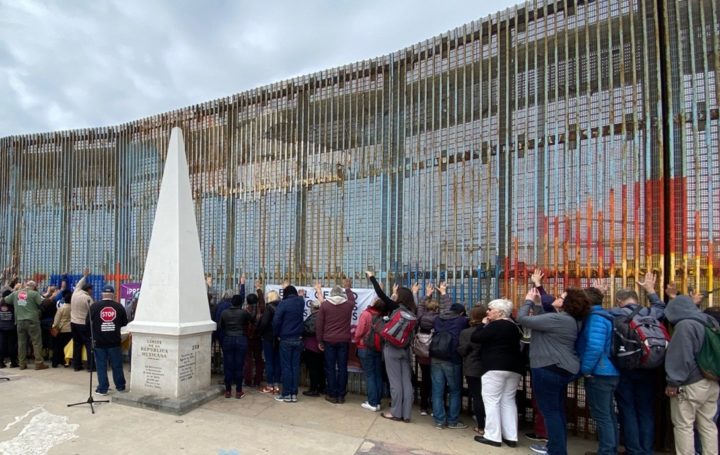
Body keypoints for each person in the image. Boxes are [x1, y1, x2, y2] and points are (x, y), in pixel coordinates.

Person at [518, 287, 591, 455]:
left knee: (550, 412)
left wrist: (528, 300)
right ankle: (556, 447)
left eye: (561, 296)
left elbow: (522, 319)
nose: (557, 297)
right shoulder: (568, 319)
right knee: (556, 410)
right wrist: (537, 305)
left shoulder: (559, 319)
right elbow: (543, 320)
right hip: (560, 367)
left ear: (567, 303)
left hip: (548, 367)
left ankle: (557, 450)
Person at [609, 271, 665, 455]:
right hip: (651, 366)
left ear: (619, 301)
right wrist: (651, 290)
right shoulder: (651, 312)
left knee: (627, 407)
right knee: (645, 409)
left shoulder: (616, 313)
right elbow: (660, 306)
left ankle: (634, 449)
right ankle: (647, 449)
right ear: (635, 299)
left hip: (626, 366)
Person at [664, 295, 719, 455]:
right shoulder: (710, 322)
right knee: (708, 424)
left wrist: (673, 381)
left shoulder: (685, 326)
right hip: (711, 381)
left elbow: (681, 357)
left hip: (690, 383)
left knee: (684, 425)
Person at [471, 298, 524, 448]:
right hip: (514, 367)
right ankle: (511, 436)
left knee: (491, 400)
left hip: (494, 366)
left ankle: (492, 435)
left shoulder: (494, 326)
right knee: (508, 400)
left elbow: (476, 338)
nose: (487, 312)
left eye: (490, 309)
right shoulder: (514, 326)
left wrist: (482, 324)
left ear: (500, 312)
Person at [366, 270, 417, 422]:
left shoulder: (395, 307)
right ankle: (406, 414)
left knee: (395, 382)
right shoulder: (413, 311)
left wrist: (372, 278)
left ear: (399, 297)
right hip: (405, 350)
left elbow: (380, 294)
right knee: (406, 382)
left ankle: (396, 412)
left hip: (392, 349)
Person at [577, 285, 620, 455]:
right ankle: (609, 448)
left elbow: (594, 347)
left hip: (600, 372)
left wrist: (586, 369)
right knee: (608, 413)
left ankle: (607, 451)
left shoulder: (595, 318)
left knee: (603, 415)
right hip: (610, 370)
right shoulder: (605, 315)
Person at [315, 280, 356, 404]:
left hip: (329, 340)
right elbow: (352, 300)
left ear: (331, 294)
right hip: (343, 340)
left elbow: (319, 325)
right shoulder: (348, 305)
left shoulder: (325, 305)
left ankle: (332, 393)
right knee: (343, 368)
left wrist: (319, 340)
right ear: (342, 294)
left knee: (330, 367)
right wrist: (347, 288)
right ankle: (341, 395)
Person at [430, 302, 469, 429]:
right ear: (462, 312)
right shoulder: (462, 321)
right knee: (455, 390)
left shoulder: (437, 319)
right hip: (452, 358)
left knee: (437, 390)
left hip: (436, 356)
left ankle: (439, 420)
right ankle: (453, 420)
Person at [415, 282, 450, 416]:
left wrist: (427, 295)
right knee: (437, 381)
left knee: (424, 379)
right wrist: (443, 293)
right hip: (435, 353)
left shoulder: (421, 317)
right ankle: (436, 407)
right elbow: (447, 309)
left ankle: (423, 407)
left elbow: (419, 306)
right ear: (437, 309)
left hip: (422, 352)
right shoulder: (439, 318)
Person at [87, 285, 128, 395]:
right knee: (117, 365)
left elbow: (88, 323)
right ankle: (120, 387)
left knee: (101, 366)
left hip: (99, 342)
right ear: (113, 295)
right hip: (114, 341)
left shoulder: (94, 307)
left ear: (102, 294)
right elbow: (124, 323)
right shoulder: (119, 307)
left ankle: (103, 388)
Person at [272, 285, 305, 403]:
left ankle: (286, 394)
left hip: (285, 339)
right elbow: (301, 298)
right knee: (295, 367)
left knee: (286, 367)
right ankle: (293, 394)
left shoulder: (283, 304)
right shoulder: (300, 302)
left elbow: (276, 321)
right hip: (298, 338)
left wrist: (277, 335)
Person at [6, 280, 48, 370]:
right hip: (32, 321)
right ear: (34, 287)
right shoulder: (34, 294)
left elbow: (6, 300)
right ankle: (39, 363)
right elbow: (43, 303)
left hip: (19, 321)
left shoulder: (16, 293)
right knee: (36, 342)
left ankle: (22, 364)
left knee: (21, 343)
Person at [219, 293, 254, 399]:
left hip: (228, 339)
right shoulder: (243, 313)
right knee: (239, 366)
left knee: (228, 366)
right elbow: (252, 320)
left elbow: (221, 326)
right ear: (240, 303)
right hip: (241, 339)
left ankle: (228, 391)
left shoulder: (224, 312)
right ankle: (239, 391)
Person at [458, 304, 487, 436]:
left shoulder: (465, 332)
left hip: (471, 367)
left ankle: (481, 425)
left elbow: (462, 351)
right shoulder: (489, 329)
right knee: (488, 397)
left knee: (477, 396)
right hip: (486, 366)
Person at [353, 298, 384, 412]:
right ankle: (378, 401)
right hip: (378, 347)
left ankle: (372, 402)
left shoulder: (366, 314)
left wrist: (356, 338)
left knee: (370, 375)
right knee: (377, 375)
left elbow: (359, 331)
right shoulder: (383, 315)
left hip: (365, 347)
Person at [70, 269, 94, 371]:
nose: (92, 292)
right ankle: (90, 366)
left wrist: (85, 276)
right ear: (88, 290)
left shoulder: (75, 292)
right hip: (83, 325)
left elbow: (79, 283)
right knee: (89, 345)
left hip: (73, 323)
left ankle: (77, 366)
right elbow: (92, 312)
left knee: (77, 345)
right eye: (91, 290)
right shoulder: (87, 299)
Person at [258, 290, 281, 394]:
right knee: (277, 361)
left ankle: (269, 385)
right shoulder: (281, 306)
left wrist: (260, 333)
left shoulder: (269, 308)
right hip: (279, 338)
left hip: (268, 337)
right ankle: (276, 385)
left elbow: (264, 323)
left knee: (269, 361)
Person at [243, 281, 264, 389]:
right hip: (258, 338)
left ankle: (248, 380)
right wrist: (258, 289)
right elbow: (262, 301)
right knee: (258, 359)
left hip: (247, 338)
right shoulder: (261, 310)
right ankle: (258, 380)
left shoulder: (245, 311)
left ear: (247, 301)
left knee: (248, 360)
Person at [302, 299, 324, 397]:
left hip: (312, 345)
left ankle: (314, 389)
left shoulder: (315, 316)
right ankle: (321, 387)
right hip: (321, 346)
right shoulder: (323, 315)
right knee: (320, 367)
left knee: (313, 368)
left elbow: (311, 330)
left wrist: (302, 330)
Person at [51, 290, 73, 368]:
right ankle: (66, 362)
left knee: (58, 347)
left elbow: (56, 320)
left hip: (61, 330)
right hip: (70, 330)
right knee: (67, 347)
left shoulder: (61, 308)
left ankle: (55, 362)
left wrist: (54, 327)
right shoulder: (73, 308)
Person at [0, 289, 19, 368]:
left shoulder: (0, 305)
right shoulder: (13, 305)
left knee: (1, 345)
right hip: (11, 328)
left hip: (1, 328)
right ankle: (13, 362)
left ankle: (1, 362)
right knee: (12, 345)